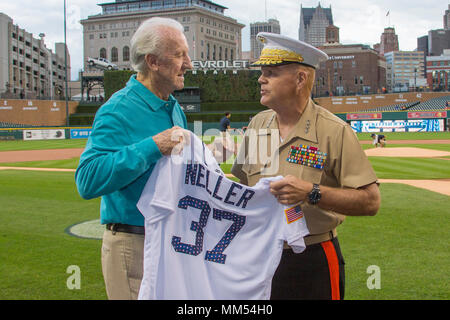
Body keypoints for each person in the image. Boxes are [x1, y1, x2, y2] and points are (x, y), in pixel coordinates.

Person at [231, 32, 381, 300]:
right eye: (262, 72)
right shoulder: (257, 125)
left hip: (313, 259)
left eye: (272, 72)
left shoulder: (334, 131)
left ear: (301, 79)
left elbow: (371, 202)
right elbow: (241, 187)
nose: (261, 79)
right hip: (259, 256)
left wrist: (312, 192)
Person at [75, 17, 192, 300]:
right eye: (179, 55)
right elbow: (87, 180)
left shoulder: (173, 107)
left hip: (170, 243)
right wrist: (152, 146)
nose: (189, 63)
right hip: (134, 245)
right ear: (152, 62)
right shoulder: (117, 109)